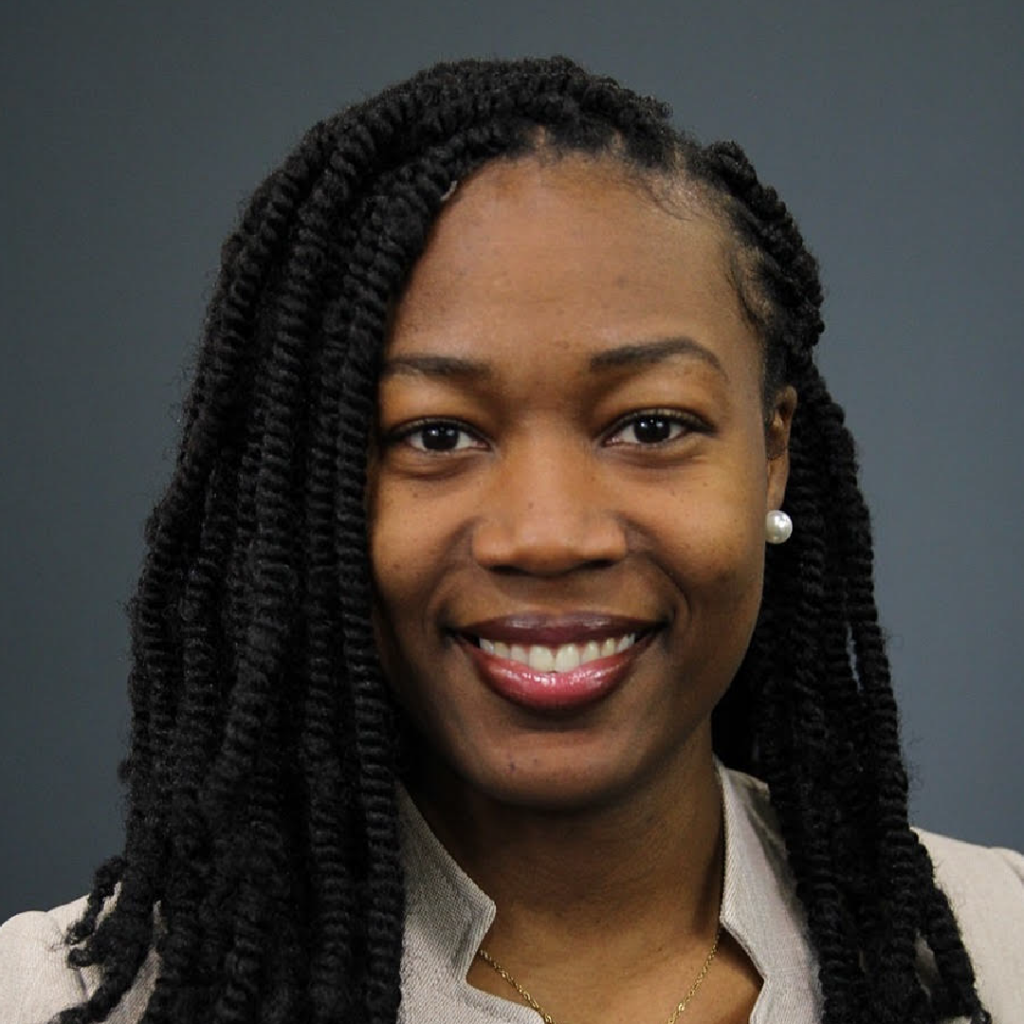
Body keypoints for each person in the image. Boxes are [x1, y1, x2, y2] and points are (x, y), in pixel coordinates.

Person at [1, 55, 1020, 1024]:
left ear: (771, 455)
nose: (547, 534)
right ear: (309, 497)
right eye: (436, 434)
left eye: (650, 426)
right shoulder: (63, 1001)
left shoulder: (1001, 946)